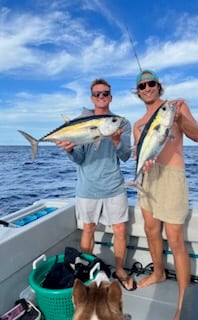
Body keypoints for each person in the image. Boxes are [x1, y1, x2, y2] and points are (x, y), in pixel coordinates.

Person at [133, 70, 198, 320]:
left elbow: (197, 136)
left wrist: (180, 118)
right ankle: (158, 272)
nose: (147, 88)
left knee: (175, 240)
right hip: (147, 179)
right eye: (142, 86)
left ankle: (183, 301)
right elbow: (141, 154)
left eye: (151, 83)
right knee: (151, 231)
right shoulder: (138, 124)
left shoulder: (176, 108)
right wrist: (144, 164)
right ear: (138, 92)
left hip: (172, 177)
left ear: (158, 86)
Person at [56, 78, 136, 291]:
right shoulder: (80, 121)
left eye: (105, 93)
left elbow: (126, 156)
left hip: (114, 186)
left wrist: (118, 141)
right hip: (87, 187)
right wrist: (70, 150)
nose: (101, 96)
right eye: (97, 94)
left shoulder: (120, 122)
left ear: (110, 96)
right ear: (92, 98)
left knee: (120, 229)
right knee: (88, 228)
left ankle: (119, 269)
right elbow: (79, 158)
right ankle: (89, 271)